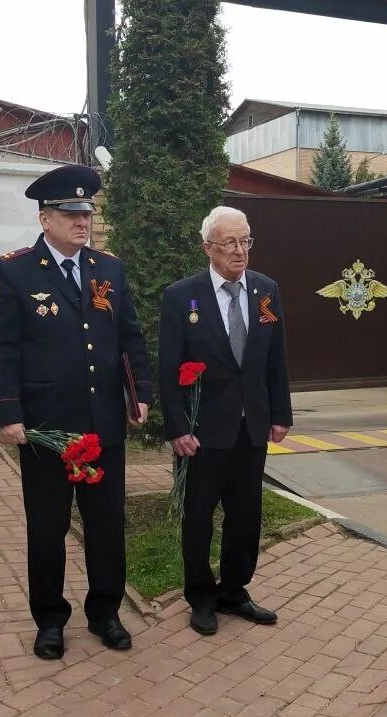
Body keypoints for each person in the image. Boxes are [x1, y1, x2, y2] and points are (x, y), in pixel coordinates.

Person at [0, 164, 152, 660]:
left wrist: (139, 391)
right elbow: (2, 350)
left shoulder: (109, 270)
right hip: (45, 428)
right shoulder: (13, 271)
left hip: (102, 425)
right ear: (45, 218)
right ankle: (50, 619)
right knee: (47, 528)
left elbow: (130, 338)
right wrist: (8, 415)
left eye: (87, 213)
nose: (84, 222)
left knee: (105, 525)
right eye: (71, 213)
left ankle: (106, 612)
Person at [158, 206, 292, 636]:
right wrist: (178, 427)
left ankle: (234, 590)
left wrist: (279, 414)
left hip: (250, 426)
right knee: (198, 516)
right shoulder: (182, 297)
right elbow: (168, 368)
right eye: (231, 243)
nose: (240, 251)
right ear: (209, 248)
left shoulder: (266, 291)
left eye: (246, 241)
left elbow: (276, 359)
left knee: (246, 515)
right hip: (202, 432)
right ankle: (199, 596)